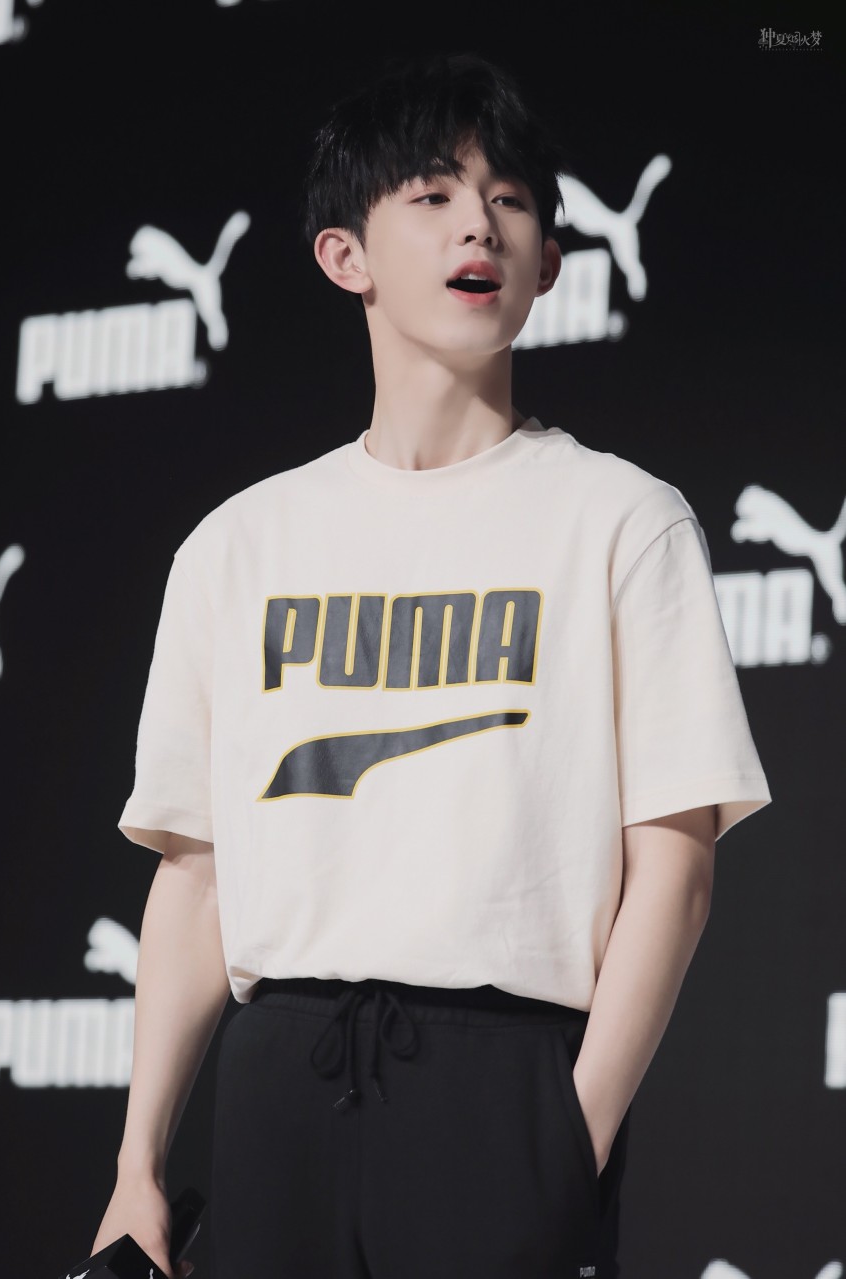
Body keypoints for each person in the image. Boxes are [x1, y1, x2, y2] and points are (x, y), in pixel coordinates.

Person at [91, 51, 772, 1279]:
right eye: (433, 193)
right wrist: (137, 1165)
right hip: (276, 1089)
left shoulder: (621, 520)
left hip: (503, 1087)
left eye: (510, 199)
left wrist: (566, 1139)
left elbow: (673, 866)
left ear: (547, 263)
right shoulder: (238, 544)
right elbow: (195, 877)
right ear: (343, 255)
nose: (479, 224)